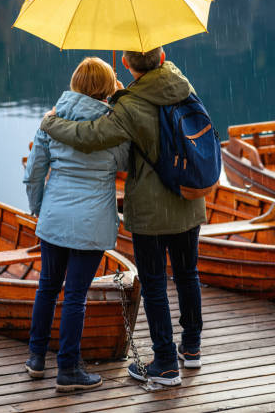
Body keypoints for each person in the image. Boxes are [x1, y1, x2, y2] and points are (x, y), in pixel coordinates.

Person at [40, 47, 206, 387]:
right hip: (189, 198)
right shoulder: (182, 85)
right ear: (162, 59)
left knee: (155, 283)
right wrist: (120, 93)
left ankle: (165, 364)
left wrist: (52, 122)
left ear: (127, 65)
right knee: (188, 274)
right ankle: (191, 349)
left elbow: (90, 137)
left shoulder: (130, 105)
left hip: (150, 210)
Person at [24, 56, 129, 392]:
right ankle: (68, 369)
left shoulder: (51, 118)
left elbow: (34, 174)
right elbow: (126, 163)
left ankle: (36, 358)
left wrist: (39, 210)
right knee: (75, 297)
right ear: (106, 87)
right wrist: (121, 106)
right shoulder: (113, 124)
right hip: (92, 221)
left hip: (54, 217)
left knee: (47, 287)